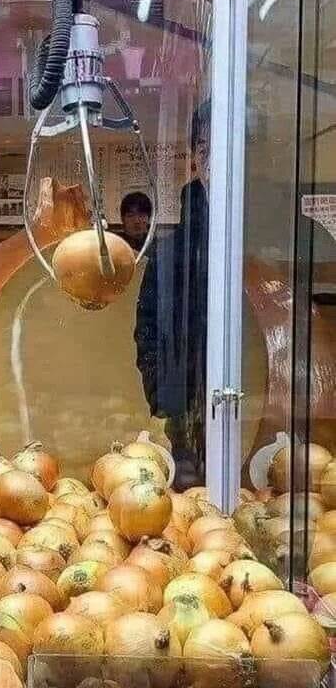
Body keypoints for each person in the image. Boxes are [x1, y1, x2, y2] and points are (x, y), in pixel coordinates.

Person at [134, 101, 210, 489]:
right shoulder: (171, 250)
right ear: (195, 155)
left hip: (249, 407)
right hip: (183, 399)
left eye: (223, 146)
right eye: (204, 148)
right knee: (185, 488)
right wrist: (161, 391)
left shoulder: (265, 235)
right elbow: (147, 327)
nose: (212, 160)